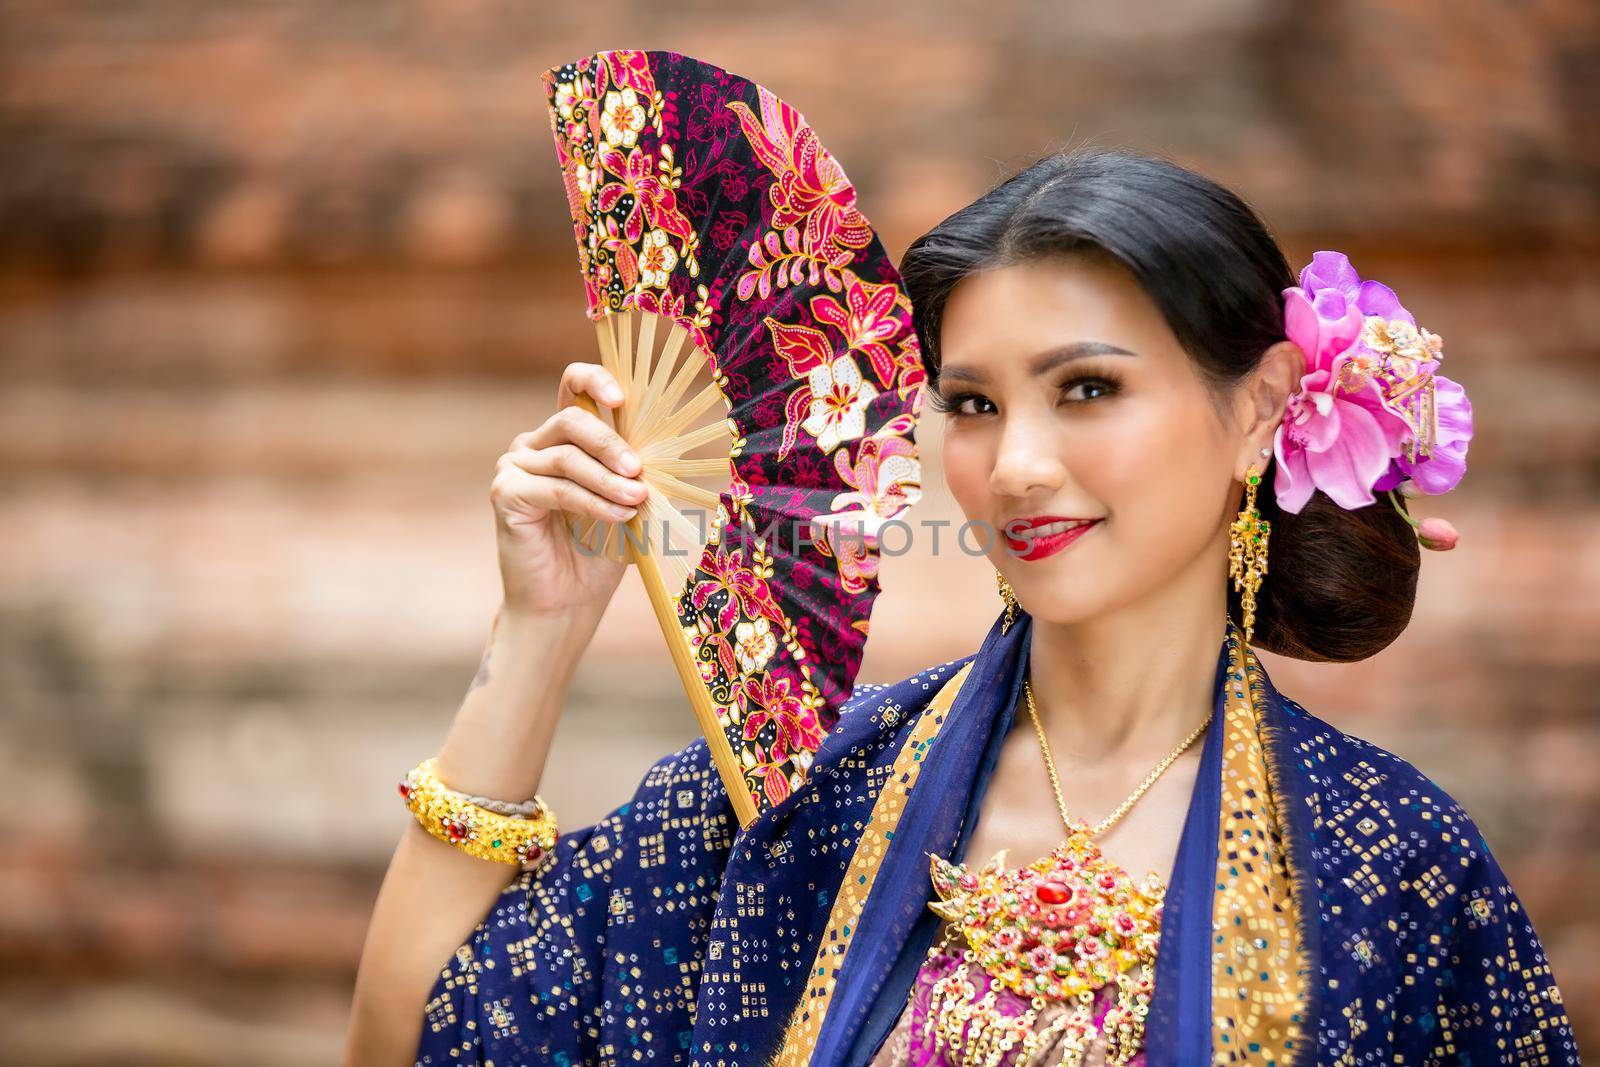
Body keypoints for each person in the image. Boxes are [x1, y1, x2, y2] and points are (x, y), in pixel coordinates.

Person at [344, 148, 1580, 1066]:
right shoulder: (795, 801)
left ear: (1258, 408)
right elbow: (412, 1039)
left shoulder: (1389, 863)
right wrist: (543, 626)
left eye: (1086, 388)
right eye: (974, 403)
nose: (1018, 464)